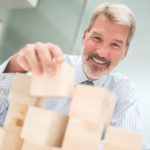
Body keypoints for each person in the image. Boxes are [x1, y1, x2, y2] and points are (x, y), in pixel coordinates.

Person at [0, 2, 149, 149]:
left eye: (115, 45)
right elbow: (5, 116)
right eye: (97, 38)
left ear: (125, 52)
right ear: (85, 36)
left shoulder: (124, 91)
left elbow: (129, 145)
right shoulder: (50, 66)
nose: (101, 52)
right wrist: (14, 66)